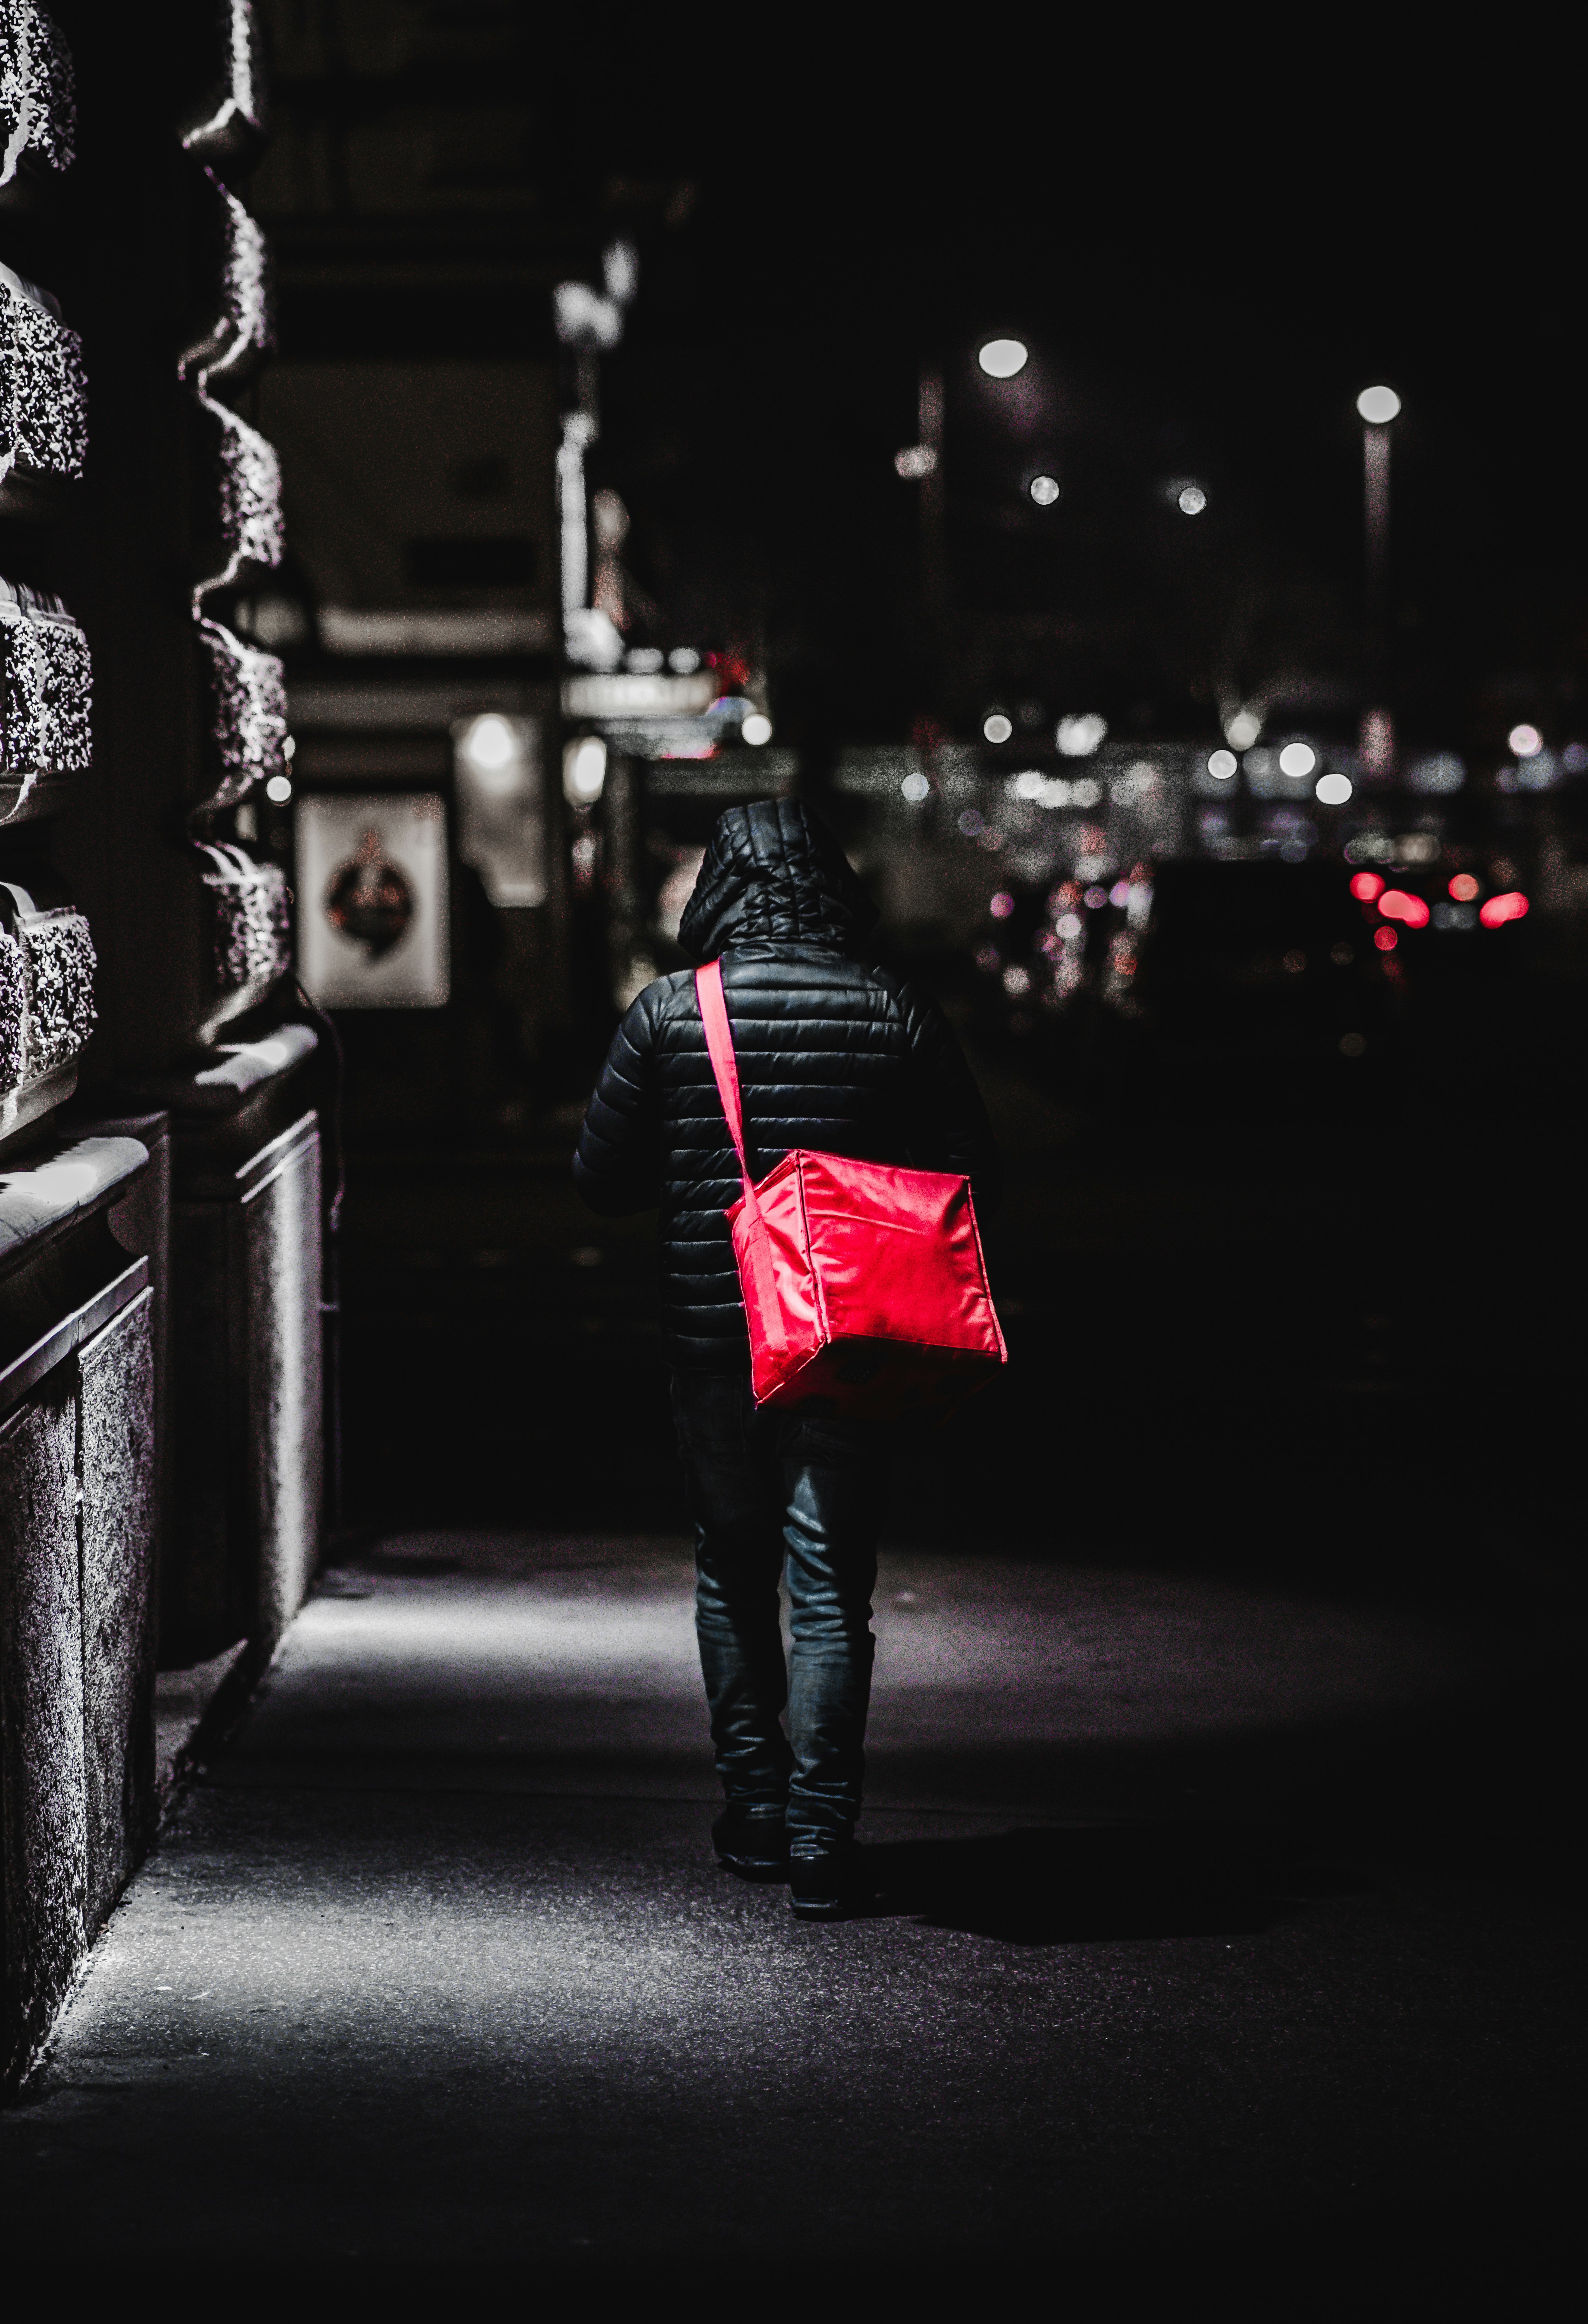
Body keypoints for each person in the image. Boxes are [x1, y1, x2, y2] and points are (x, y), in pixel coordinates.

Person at [574, 799, 1000, 1920]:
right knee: (830, 1592)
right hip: (850, 1340)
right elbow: (969, 1170)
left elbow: (601, 1182)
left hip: (715, 1343)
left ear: (719, 889)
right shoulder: (895, 1009)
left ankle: (754, 1812)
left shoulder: (671, 1013)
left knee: (730, 1568)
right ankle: (822, 1841)